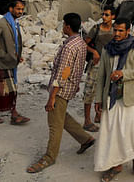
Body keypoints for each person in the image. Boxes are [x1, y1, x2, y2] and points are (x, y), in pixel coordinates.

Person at [26, 13, 95, 173]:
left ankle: (49, 157)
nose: (63, 27)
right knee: (62, 116)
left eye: (64, 24)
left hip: (61, 89)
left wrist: (52, 96)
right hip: (70, 87)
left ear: (68, 27)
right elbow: (76, 68)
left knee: (54, 124)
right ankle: (85, 139)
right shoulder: (80, 43)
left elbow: (63, 73)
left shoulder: (69, 47)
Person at [94, 18, 134, 182]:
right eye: (115, 30)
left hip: (131, 97)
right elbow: (102, 76)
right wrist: (98, 99)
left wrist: (123, 74)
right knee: (113, 132)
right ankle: (116, 165)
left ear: (128, 31)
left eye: (120, 31)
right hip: (111, 96)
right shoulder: (107, 49)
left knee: (133, 132)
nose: (117, 34)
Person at [0, 0, 29, 125]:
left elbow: (14, 43)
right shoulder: (1, 23)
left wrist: (17, 56)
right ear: (11, 9)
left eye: (22, 9)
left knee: (8, 90)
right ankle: (9, 115)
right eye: (18, 9)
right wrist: (4, 55)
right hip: (2, 63)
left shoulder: (14, 23)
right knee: (3, 90)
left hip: (11, 63)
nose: (20, 12)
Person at [81, 6, 116, 131]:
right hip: (96, 63)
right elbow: (84, 43)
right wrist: (94, 52)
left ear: (113, 17)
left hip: (110, 64)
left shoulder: (115, 30)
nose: (104, 17)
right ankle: (86, 120)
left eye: (107, 15)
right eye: (103, 14)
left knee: (104, 90)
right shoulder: (96, 29)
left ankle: (99, 115)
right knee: (90, 90)